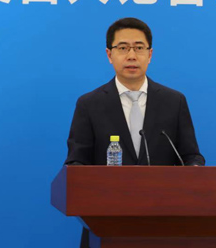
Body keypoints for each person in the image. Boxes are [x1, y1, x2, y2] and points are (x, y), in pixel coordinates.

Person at [64, 17, 205, 247]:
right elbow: (76, 162)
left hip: (164, 219)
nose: (131, 55)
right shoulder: (89, 104)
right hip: (106, 220)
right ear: (109, 55)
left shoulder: (174, 101)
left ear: (150, 54)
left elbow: (191, 156)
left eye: (139, 48)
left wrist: (194, 172)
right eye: (123, 48)